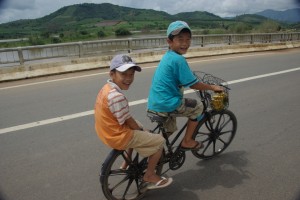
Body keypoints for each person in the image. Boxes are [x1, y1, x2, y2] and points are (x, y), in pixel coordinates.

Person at [94, 54, 173, 190]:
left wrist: (140, 129)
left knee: (139, 126)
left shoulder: (106, 89)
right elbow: (128, 120)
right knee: (159, 141)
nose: (129, 79)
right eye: (124, 74)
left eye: (131, 74)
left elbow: (125, 118)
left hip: (106, 130)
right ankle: (149, 175)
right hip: (118, 136)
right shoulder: (117, 97)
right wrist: (141, 132)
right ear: (112, 74)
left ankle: (126, 162)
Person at [147, 21, 223, 150]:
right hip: (168, 102)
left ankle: (153, 148)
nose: (185, 43)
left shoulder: (168, 56)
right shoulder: (178, 59)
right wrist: (212, 87)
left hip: (155, 102)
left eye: (188, 40)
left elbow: (181, 77)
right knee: (198, 107)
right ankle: (187, 141)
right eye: (180, 39)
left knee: (168, 130)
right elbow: (194, 84)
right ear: (169, 42)